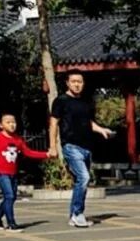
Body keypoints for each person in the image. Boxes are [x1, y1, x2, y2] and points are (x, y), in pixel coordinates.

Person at [48, 71, 114, 227]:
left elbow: (89, 122)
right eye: (73, 81)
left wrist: (102, 130)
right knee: (84, 177)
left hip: (87, 147)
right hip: (71, 145)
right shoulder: (61, 101)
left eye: (80, 81)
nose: (77, 84)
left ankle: (74, 215)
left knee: (81, 180)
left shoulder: (85, 102)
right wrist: (53, 146)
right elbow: (53, 123)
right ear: (67, 83)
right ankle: (78, 213)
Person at [0, 112, 49, 232]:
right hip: (0, 171)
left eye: (14, 122)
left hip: (13, 172)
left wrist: (46, 154)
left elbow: (28, 152)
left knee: (12, 197)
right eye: (8, 122)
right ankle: (11, 224)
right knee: (9, 196)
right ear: (1, 125)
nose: (12, 125)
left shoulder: (17, 139)